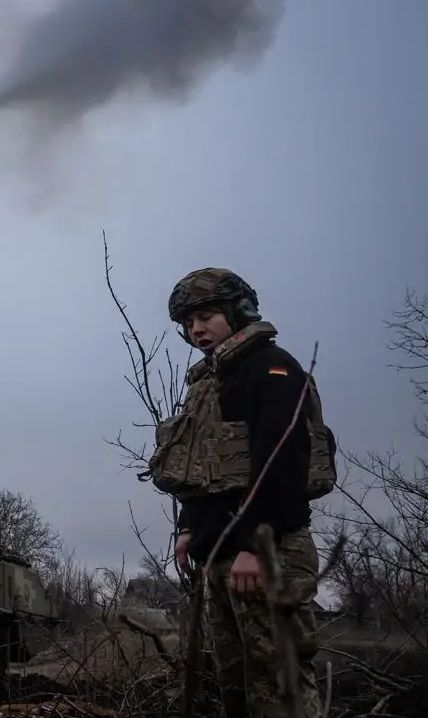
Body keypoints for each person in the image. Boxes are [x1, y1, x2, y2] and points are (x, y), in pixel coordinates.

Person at [148, 267, 338, 718]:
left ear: (240, 311)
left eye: (207, 316)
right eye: (187, 323)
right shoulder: (210, 381)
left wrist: (257, 544)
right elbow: (201, 464)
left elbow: (281, 461)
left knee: (279, 685)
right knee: (234, 685)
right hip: (220, 552)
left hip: (267, 553)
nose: (196, 329)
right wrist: (188, 527)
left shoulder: (270, 368)